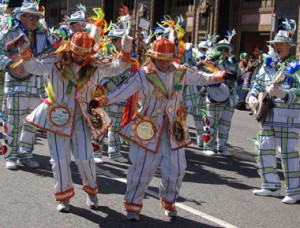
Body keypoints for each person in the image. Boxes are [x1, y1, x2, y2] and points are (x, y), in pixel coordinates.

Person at [90, 38, 233, 221]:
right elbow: (123, 91)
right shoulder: (143, 74)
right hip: (147, 129)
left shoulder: (181, 71)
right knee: (141, 169)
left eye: (167, 58)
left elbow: (201, 77)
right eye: (160, 58)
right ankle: (133, 205)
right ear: (153, 57)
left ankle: (169, 200)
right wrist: (101, 100)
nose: (164, 62)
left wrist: (220, 75)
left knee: (177, 170)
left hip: (174, 129)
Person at [16, 31, 133, 212]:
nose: (80, 57)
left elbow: (119, 67)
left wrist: (126, 49)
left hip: (82, 119)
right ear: (70, 48)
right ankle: (64, 197)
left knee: (85, 159)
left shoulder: (95, 64)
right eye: (77, 52)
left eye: (84, 54)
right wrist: (24, 50)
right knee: (59, 161)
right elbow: (34, 67)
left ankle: (91, 191)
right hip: (57, 118)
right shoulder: (55, 61)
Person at [249, 19, 300, 204]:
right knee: (264, 149)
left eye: (281, 44)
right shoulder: (268, 66)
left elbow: (299, 92)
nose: (277, 47)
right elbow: (256, 84)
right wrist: (252, 96)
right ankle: (270, 185)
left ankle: (294, 191)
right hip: (268, 116)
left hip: (288, 118)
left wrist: (284, 94)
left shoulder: (297, 67)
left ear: (289, 46)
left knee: (287, 153)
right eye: (275, 44)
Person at [0, 2, 54, 169]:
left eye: (37, 17)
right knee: (14, 121)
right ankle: (11, 155)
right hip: (16, 84)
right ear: (21, 17)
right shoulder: (10, 32)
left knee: (32, 123)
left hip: (37, 85)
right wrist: (9, 65)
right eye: (31, 16)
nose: (34, 20)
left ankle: (26, 154)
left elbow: (53, 52)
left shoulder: (44, 34)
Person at [92, 26, 129, 163]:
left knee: (116, 125)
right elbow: (99, 74)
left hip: (120, 95)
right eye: (120, 40)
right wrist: (108, 84)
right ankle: (96, 153)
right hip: (104, 95)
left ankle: (114, 152)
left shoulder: (130, 55)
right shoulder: (104, 52)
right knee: (101, 124)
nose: (122, 43)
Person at [203, 30, 240, 157]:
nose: (224, 52)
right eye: (221, 49)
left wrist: (236, 66)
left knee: (225, 124)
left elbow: (238, 75)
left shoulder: (232, 63)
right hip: (215, 96)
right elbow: (203, 74)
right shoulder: (212, 62)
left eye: (226, 49)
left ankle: (222, 147)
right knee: (211, 122)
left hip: (230, 97)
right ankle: (208, 146)